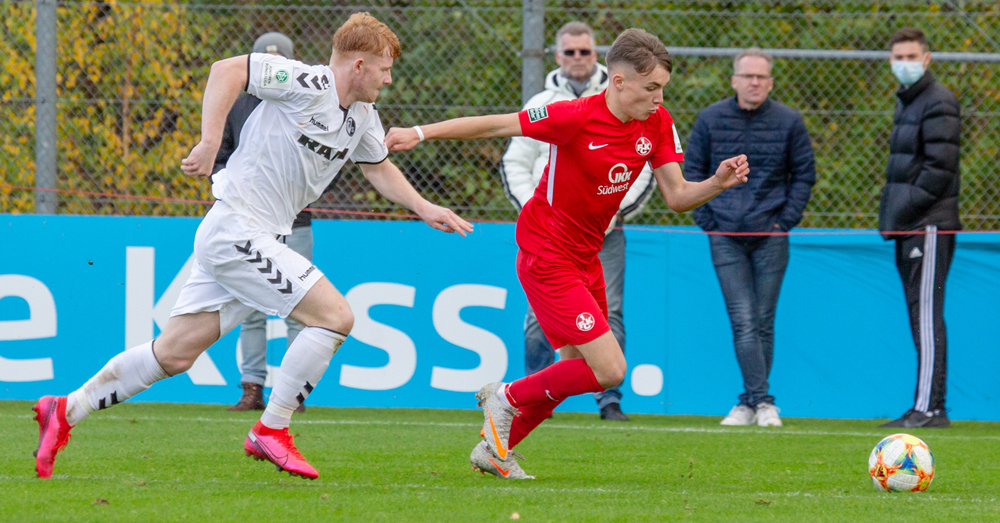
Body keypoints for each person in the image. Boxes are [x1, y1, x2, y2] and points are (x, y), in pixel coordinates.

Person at [32, 12, 473, 480]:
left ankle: (64, 409)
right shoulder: (306, 81)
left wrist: (424, 206)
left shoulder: (362, 116)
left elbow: (378, 167)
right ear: (359, 64)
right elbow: (227, 70)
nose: (388, 78)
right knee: (336, 316)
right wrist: (208, 141)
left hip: (253, 236)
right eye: (384, 69)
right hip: (237, 228)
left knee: (176, 354)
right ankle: (272, 429)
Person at [386, 28, 749, 479]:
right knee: (611, 370)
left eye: (663, 89)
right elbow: (497, 123)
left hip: (586, 257)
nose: (659, 98)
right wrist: (420, 132)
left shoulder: (657, 122)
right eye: (651, 87)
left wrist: (716, 183)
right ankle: (504, 396)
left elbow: (677, 196)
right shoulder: (574, 115)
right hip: (546, 253)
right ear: (618, 82)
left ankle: (496, 450)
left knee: (574, 369)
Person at [501, 21, 655, 422]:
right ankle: (525, 398)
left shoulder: (633, 97)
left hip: (605, 234)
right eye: (570, 52)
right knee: (540, 324)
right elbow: (516, 161)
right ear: (557, 56)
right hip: (552, 238)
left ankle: (609, 400)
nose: (578, 58)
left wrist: (615, 210)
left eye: (584, 51)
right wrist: (534, 207)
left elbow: (641, 170)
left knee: (610, 319)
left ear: (598, 56)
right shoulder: (549, 102)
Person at [684, 48, 816, 428]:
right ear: (734, 80)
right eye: (748, 76)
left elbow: (804, 174)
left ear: (770, 82)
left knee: (762, 320)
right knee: (743, 319)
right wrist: (708, 220)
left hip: (770, 236)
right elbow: (691, 170)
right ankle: (762, 402)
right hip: (724, 236)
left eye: (762, 77)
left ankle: (748, 401)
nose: (754, 82)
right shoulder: (710, 119)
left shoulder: (789, 121)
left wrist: (784, 222)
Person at [209, 32, 310, 413]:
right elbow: (220, 157)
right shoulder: (236, 106)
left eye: (280, 61)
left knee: (302, 309)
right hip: (246, 222)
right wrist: (227, 190)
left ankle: (292, 391)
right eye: (267, 61)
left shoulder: (307, 103)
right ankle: (252, 387)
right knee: (250, 309)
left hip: (296, 222)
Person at [878, 27, 960, 429]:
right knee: (918, 315)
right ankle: (927, 405)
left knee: (927, 315)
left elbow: (939, 169)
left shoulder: (937, 100)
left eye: (912, 56)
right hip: (911, 226)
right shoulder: (909, 102)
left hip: (928, 226)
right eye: (898, 56)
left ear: (926, 58)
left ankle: (929, 408)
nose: (904, 63)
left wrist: (903, 211)